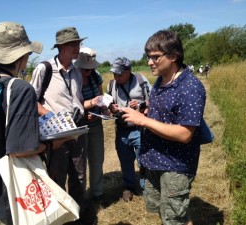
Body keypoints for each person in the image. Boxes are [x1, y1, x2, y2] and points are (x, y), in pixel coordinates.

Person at [121, 30, 206, 225]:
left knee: (176, 218)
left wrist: (143, 121)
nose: (150, 62)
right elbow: (165, 112)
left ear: (173, 56)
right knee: (164, 211)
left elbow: (185, 134)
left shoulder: (190, 87)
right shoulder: (161, 80)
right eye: (148, 57)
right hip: (155, 159)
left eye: (156, 57)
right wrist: (145, 111)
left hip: (175, 165)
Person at [0, 21, 46, 225]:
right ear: (20, 56)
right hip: (12, 194)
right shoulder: (20, 89)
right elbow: (21, 149)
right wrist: (51, 144)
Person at [30, 27, 96, 224]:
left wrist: (84, 110)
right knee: (56, 176)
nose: (78, 48)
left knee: (79, 175)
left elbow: (77, 99)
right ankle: (60, 217)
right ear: (62, 47)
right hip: (56, 134)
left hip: (77, 131)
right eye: (74, 44)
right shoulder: (45, 69)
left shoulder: (77, 71)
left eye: (78, 43)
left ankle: (78, 214)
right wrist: (50, 115)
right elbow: (32, 101)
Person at [107, 57, 152, 202]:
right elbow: (107, 105)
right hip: (121, 129)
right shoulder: (112, 85)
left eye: (119, 74)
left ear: (129, 71)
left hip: (139, 129)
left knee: (144, 159)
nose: (116, 77)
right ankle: (129, 187)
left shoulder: (141, 80)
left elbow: (153, 101)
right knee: (125, 161)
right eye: (114, 74)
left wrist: (139, 105)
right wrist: (110, 108)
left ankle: (147, 188)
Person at [74, 47, 108, 204]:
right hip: (78, 126)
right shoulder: (72, 77)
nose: (89, 71)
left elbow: (100, 97)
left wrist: (105, 109)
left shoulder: (96, 76)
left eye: (91, 68)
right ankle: (80, 197)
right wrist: (84, 111)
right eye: (86, 69)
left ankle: (98, 193)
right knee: (79, 165)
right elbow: (70, 103)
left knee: (97, 159)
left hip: (95, 124)